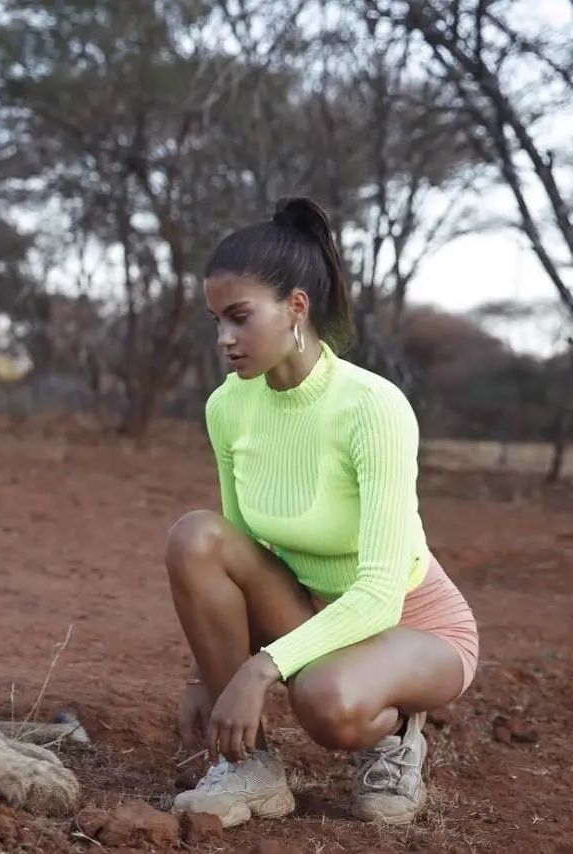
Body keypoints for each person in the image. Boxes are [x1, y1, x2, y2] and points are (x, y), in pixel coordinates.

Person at [167, 197, 479, 828]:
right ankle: (248, 767)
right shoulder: (228, 407)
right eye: (215, 320)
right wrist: (208, 674)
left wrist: (258, 671)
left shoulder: (372, 406)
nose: (225, 338)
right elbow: (243, 549)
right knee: (195, 536)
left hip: (415, 625)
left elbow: (382, 594)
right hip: (311, 609)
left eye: (240, 317)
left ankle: (393, 735)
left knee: (326, 701)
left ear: (297, 308)